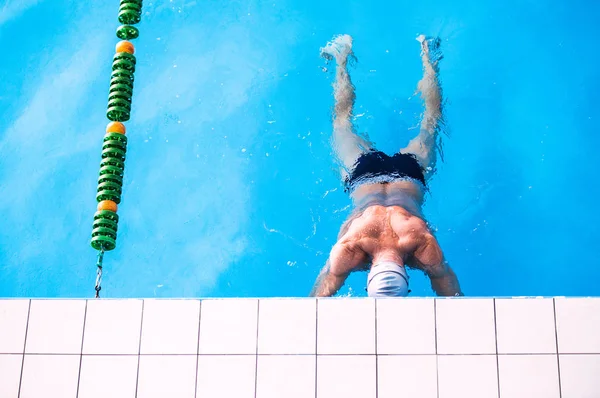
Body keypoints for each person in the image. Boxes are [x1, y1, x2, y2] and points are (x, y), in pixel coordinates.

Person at [310, 34, 463, 297]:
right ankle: (343, 58)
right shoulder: (350, 249)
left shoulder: (422, 245)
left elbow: (451, 292)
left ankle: (428, 60)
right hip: (362, 177)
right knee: (342, 122)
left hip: (408, 175)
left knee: (431, 119)